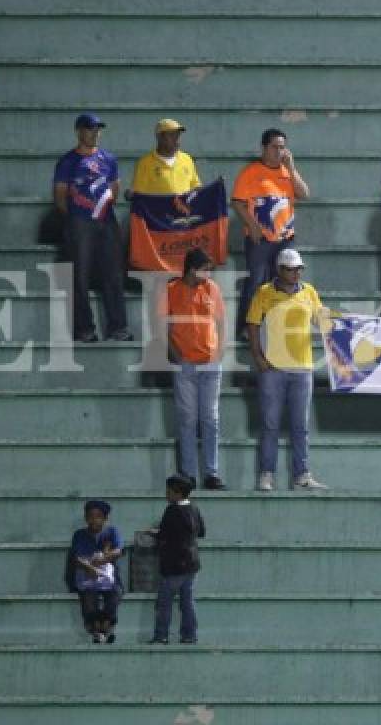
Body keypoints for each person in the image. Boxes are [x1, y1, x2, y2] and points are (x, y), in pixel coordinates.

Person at [246, 248, 329, 492]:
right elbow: (252, 326)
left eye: (299, 269)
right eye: (291, 269)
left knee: (300, 425)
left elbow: (321, 321)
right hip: (273, 367)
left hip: (302, 367)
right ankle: (267, 473)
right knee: (270, 424)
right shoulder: (264, 293)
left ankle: (301, 474)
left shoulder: (310, 292)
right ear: (279, 270)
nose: (296, 274)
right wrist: (258, 358)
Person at [52, 112, 130, 342]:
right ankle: (85, 329)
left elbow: (115, 187)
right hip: (79, 222)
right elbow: (59, 195)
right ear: (79, 132)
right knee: (80, 277)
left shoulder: (109, 159)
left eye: (97, 129)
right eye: (89, 129)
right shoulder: (67, 161)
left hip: (106, 221)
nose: (95, 133)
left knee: (113, 275)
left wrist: (101, 210)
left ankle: (118, 327)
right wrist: (78, 216)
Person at [231, 128, 311, 339]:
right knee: (256, 283)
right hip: (260, 239)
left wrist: (291, 168)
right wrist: (253, 226)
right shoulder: (250, 172)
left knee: (284, 283)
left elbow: (304, 194)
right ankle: (246, 328)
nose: (279, 151)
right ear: (264, 148)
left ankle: (276, 328)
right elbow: (237, 203)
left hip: (285, 238)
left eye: (282, 147)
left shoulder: (287, 172)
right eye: (274, 147)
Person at [164, 248, 226, 490]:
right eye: (205, 269)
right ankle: (188, 473)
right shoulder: (170, 290)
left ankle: (211, 472)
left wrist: (219, 351)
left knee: (210, 418)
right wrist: (177, 356)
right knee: (188, 419)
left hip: (210, 362)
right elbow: (162, 327)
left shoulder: (212, 289)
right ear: (191, 269)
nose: (209, 274)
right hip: (185, 363)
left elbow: (220, 322)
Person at [149, 475, 205, 645]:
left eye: (169, 491)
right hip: (192, 562)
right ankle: (189, 635)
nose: (166, 494)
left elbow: (164, 534)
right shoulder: (194, 509)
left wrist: (154, 533)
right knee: (187, 603)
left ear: (178, 493)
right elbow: (201, 531)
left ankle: (161, 635)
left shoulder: (172, 510)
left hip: (174, 564)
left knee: (164, 603)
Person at [65, 499, 123, 644]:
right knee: (89, 598)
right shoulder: (79, 534)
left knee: (114, 596)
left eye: (98, 516)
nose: (94, 520)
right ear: (86, 518)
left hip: (108, 577)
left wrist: (101, 561)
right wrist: (90, 568)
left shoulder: (112, 531)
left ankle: (106, 628)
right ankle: (96, 629)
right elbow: (77, 557)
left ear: (105, 518)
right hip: (86, 576)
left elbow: (117, 551)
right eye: (91, 516)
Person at [130, 119, 201, 196]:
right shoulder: (145, 163)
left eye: (178, 135)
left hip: (183, 208)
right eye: (172, 135)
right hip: (157, 208)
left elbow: (195, 187)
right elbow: (139, 195)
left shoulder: (187, 159)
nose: (176, 139)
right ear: (159, 137)